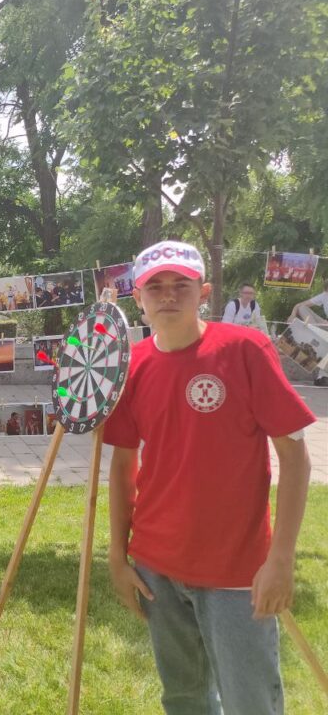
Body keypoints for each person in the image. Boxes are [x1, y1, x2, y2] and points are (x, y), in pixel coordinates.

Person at [104, 241, 315, 715]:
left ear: (204, 292)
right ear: (138, 298)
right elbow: (122, 465)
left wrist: (281, 559)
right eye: (155, 287)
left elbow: (295, 456)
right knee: (184, 698)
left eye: (181, 285)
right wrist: (118, 556)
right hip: (156, 566)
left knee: (250, 701)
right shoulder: (132, 365)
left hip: (237, 570)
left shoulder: (244, 349)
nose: (168, 295)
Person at [286, 275, 328, 386]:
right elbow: (299, 305)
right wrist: (292, 315)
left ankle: (323, 376)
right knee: (301, 308)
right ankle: (315, 331)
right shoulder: (324, 295)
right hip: (323, 326)